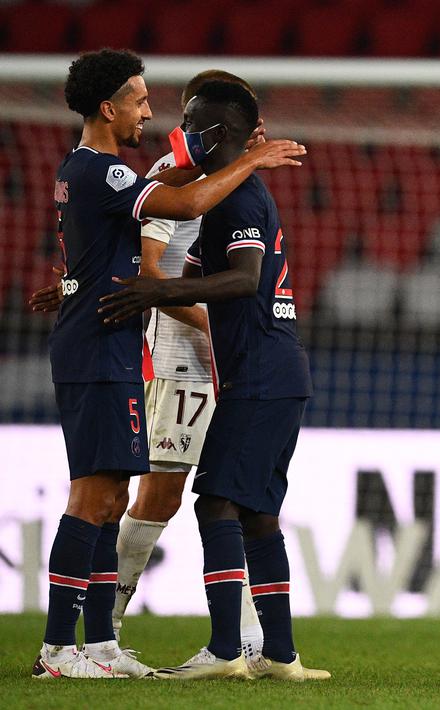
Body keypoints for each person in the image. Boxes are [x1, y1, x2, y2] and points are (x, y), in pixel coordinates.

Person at [31, 49, 304, 680]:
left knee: (116, 494)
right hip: (109, 347)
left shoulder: (94, 172)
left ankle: (99, 643)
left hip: (116, 341)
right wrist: (255, 160)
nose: (150, 112)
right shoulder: (117, 173)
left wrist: (75, 284)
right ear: (109, 106)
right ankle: (58, 649)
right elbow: (178, 215)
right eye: (140, 100)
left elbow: (105, 248)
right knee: (101, 497)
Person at [98, 80, 327, 682]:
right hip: (276, 371)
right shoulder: (225, 192)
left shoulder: (237, 199)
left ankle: (226, 650)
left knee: (215, 502)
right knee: (256, 513)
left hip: (255, 373)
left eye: (192, 123)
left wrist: (160, 290)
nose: (182, 131)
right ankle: (280, 656)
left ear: (214, 133)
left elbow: (245, 279)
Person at [111, 69, 266, 668]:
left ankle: (247, 636)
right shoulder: (166, 180)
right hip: (179, 356)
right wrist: (216, 322)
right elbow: (149, 273)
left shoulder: (240, 186)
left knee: (234, 492)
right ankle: (105, 625)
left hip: (231, 363)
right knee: (162, 493)